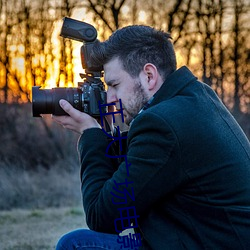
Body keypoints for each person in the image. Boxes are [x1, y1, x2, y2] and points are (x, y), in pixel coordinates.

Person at [52, 25, 250, 249]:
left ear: (149, 75)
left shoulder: (162, 124)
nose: (110, 98)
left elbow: (102, 218)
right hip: (214, 238)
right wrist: (103, 132)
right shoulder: (195, 98)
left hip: (207, 243)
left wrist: (90, 135)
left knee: (76, 244)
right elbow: (139, 168)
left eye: (114, 85)